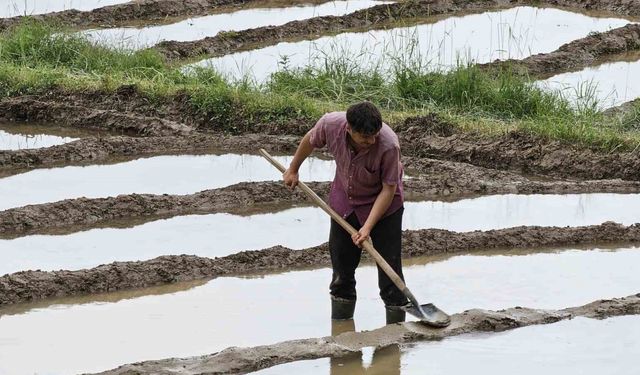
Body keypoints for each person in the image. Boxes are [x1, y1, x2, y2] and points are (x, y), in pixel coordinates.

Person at [283, 101, 408, 324]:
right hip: (345, 202)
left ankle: (396, 327)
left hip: (383, 207)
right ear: (348, 129)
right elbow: (310, 140)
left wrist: (367, 227)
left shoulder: (389, 145)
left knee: (390, 272)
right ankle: (341, 328)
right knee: (341, 268)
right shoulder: (330, 124)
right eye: (364, 137)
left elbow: (389, 189)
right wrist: (293, 169)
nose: (370, 142)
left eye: (374, 136)